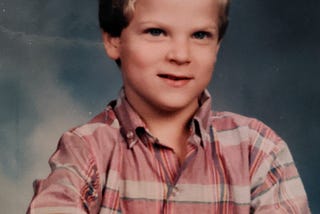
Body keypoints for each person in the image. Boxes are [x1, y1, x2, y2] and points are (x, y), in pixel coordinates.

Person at [27, 0, 310, 213]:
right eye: (156, 32)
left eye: (200, 35)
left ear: (217, 46)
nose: (180, 55)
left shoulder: (258, 150)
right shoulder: (86, 150)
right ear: (114, 40)